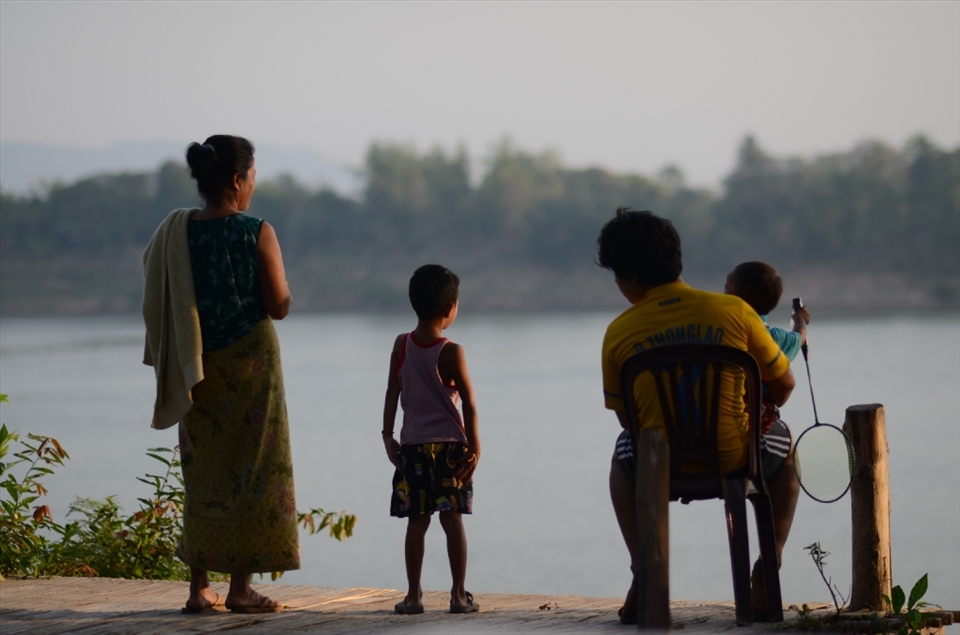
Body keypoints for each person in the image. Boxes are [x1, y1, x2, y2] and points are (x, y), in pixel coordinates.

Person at [596, 208, 799, 624]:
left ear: (632, 277)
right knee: (786, 449)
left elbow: (628, 422)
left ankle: (644, 568)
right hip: (736, 458)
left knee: (622, 455)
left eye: (617, 277)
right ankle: (769, 563)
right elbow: (784, 386)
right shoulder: (735, 311)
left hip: (659, 464)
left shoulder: (618, 332)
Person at [142, 135, 297, 614]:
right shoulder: (257, 231)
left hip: (199, 366)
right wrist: (288, 292)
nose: (253, 185)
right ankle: (241, 589)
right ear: (236, 180)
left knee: (202, 472)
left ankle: (198, 588)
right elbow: (278, 305)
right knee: (252, 470)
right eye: (252, 177)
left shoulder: (178, 232)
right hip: (251, 367)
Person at [381, 264, 481, 615]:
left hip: (413, 447)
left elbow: (392, 392)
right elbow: (469, 401)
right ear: (449, 308)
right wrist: (475, 446)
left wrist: (387, 435)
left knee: (417, 521)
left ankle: (413, 597)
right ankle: (458, 595)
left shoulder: (401, 344)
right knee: (452, 519)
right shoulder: (451, 350)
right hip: (451, 448)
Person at [725, 261, 811, 441]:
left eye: (727, 286)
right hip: (760, 421)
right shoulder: (776, 338)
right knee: (787, 440)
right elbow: (799, 337)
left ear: (739, 298)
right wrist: (800, 319)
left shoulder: (725, 332)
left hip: (727, 414)